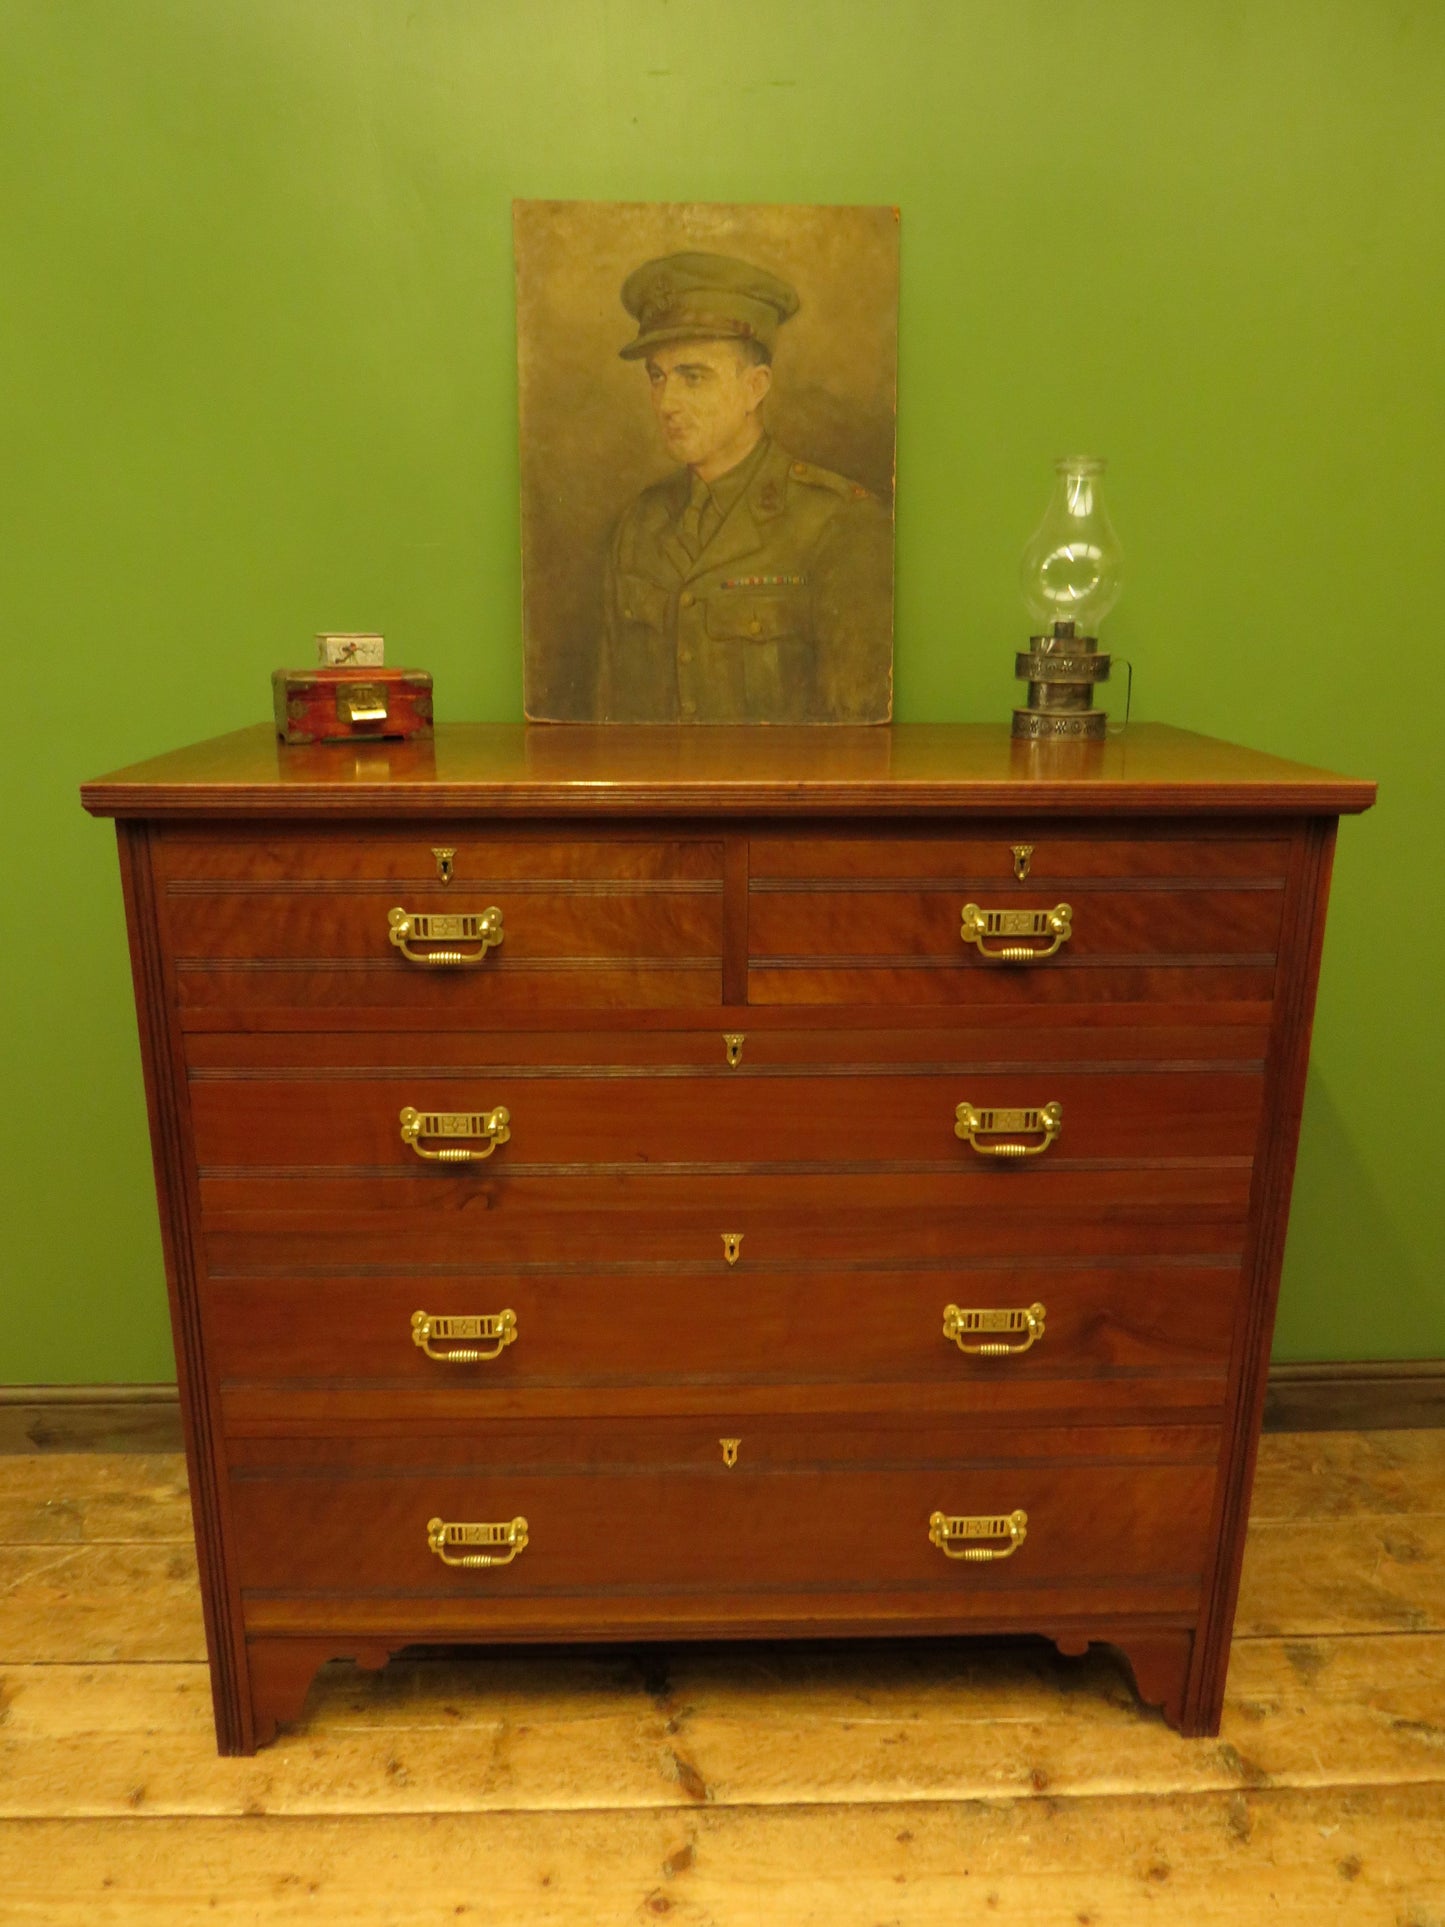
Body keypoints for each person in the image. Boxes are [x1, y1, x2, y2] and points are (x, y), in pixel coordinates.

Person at [597, 251, 893, 723]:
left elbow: (855, 746)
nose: (666, 402)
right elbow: (607, 728)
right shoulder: (639, 526)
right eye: (657, 377)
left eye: (693, 377)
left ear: (755, 388)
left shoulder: (839, 524)